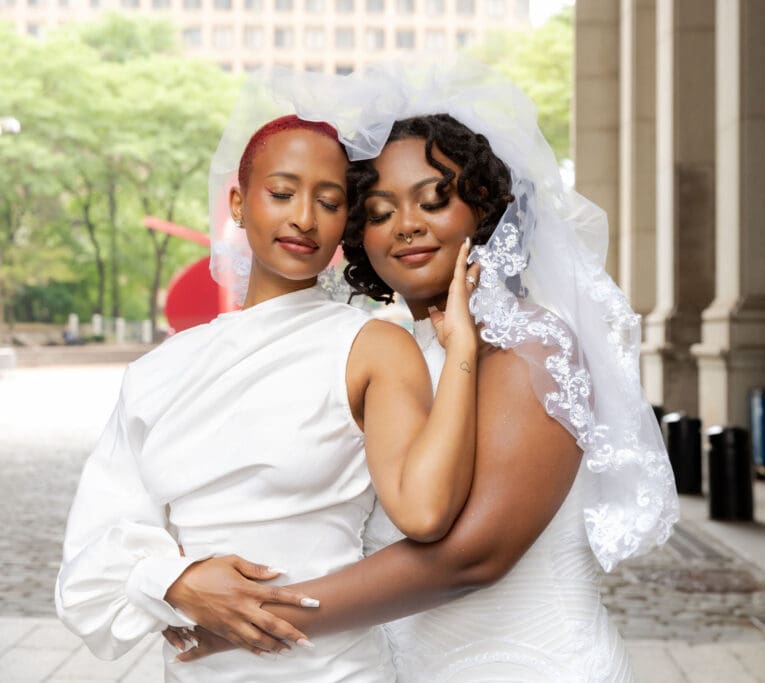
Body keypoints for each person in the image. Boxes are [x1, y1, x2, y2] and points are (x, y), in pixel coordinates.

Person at [167, 61, 679, 681]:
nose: (406, 225)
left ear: (484, 208)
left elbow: (471, 558)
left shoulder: (527, 345)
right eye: (378, 211)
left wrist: (254, 618)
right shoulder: (377, 351)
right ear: (357, 235)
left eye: (434, 200)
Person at [55, 84, 482, 681]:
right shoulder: (157, 372)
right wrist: (174, 581)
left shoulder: (371, 347)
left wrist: (461, 350)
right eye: (282, 193)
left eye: (330, 203)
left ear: (345, 224)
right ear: (238, 202)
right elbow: (89, 562)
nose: (304, 218)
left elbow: (426, 511)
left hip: (333, 670)